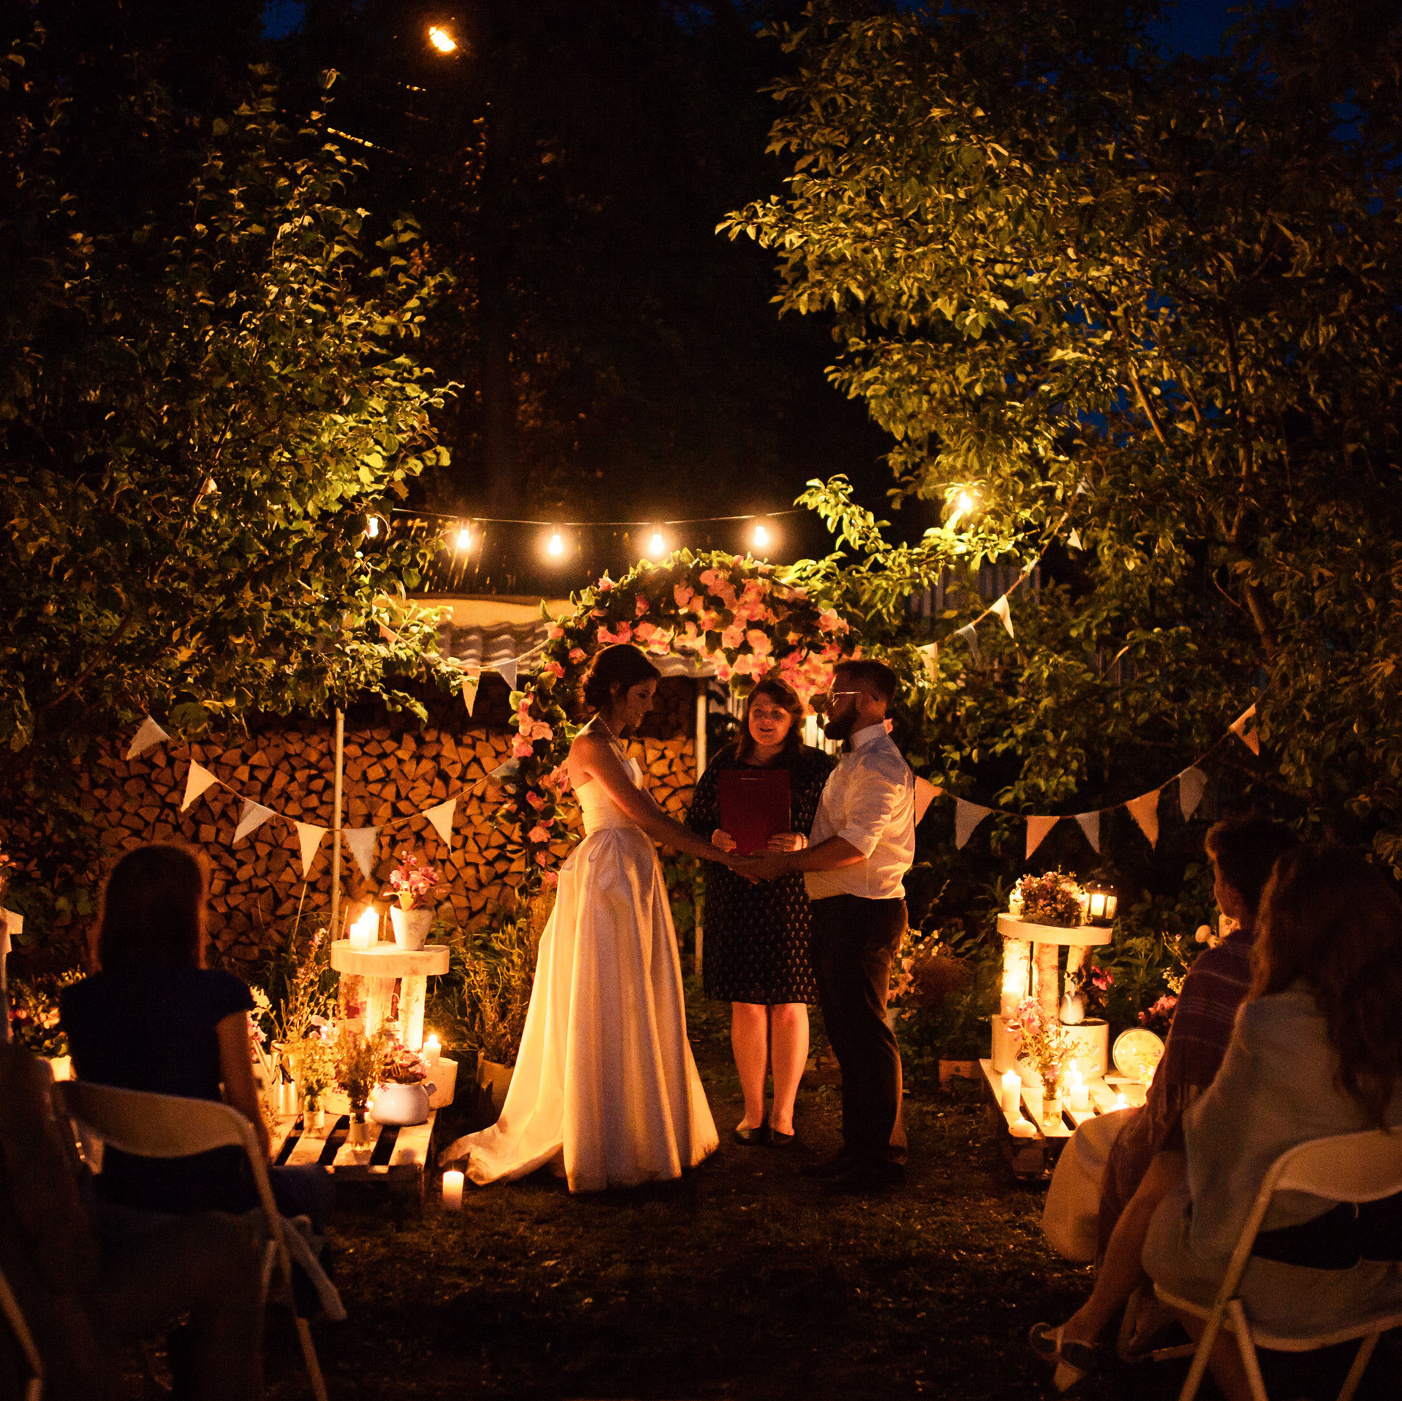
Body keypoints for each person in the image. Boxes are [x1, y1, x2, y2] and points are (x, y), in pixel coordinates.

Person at [441, 644, 741, 1191]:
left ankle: (641, 1123)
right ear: (615, 690)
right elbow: (644, 815)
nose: (649, 706)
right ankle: (604, 1133)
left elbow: (650, 816)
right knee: (607, 989)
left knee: (636, 990)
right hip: (608, 872)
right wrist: (716, 856)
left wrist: (710, 839)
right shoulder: (591, 744)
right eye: (642, 695)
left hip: (632, 868)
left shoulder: (615, 744)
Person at [1031, 815, 1297, 1390]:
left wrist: (1152, 1119)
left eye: (1217, 875)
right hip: (1291, 1153)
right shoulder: (1323, 973)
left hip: (1234, 1158)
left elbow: (1180, 1094)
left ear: (1232, 893)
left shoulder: (1226, 969)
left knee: (1142, 1158)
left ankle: (1104, 1315)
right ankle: (1103, 1318)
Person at [1142, 844, 1402, 1401]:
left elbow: (1212, 1145)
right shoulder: (1393, 1025)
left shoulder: (1270, 1025)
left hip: (1278, 1285)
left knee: (1165, 1230)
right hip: (1380, 1276)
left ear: (1288, 928)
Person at [0, 985, 265, 1401]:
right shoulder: (8, 1081)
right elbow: (65, 1254)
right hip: (43, 1308)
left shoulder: (82, 1004)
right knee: (230, 1244)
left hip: (26, 1290)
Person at [60, 844, 331, 1228]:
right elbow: (249, 1120)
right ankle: (289, 1265)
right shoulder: (218, 994)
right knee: (315, 1184)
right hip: (212, 1194)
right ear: (185, 917)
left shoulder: (80, 1002)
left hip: (124, 1192)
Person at [744, 659, 916, 1195]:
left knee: (865, 1034)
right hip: (842, 908)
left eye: (835, 695)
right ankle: (859, 1148)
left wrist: (786, 865)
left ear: (867, 700)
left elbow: (856, 845)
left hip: (862, 910)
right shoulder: (858, 760)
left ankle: (880, 1157)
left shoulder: (879, 765)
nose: (825, 704)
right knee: (849, 1035)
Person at [686, 677, 835, 1146]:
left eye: (776, 713)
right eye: (758, 711)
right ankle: (752, 1112)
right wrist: (713, 837)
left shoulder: (816, 767)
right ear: (746, 715)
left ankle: (783, 1114)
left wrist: (804, 840)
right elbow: (696, 821)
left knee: (789, 1002)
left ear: (793, 721)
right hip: (736, 889)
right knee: (746, 1002)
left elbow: (837, 825)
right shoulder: (724, 762)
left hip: (791, 892)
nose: (765, 720)